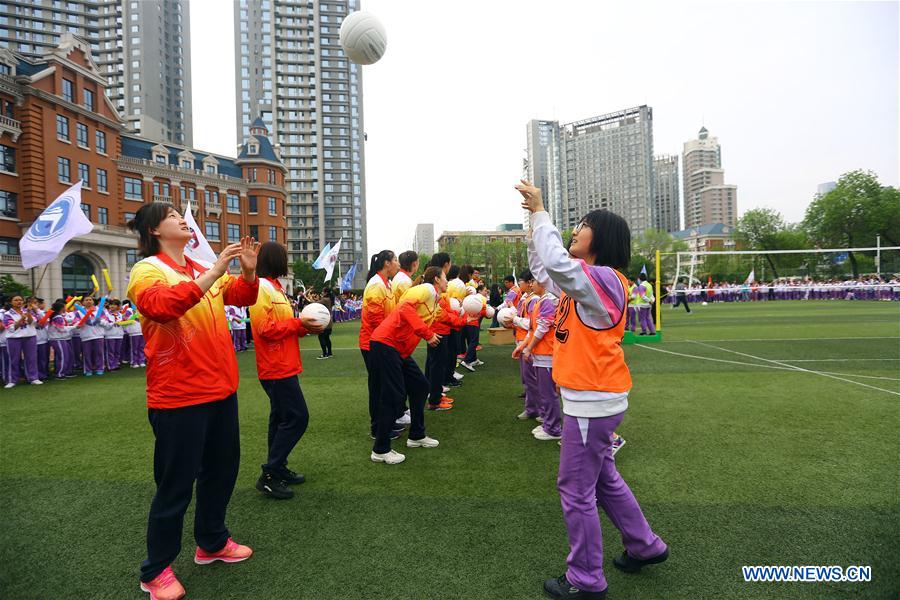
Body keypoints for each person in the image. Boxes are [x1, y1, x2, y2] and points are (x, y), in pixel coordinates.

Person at [517, 180, 668, 600]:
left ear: (601, 238)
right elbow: (546, 270)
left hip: (591, 400)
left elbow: (556, 264)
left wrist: (542, 211)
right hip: (594, 398)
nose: (576, 230)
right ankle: (645, 545)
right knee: (603, 480)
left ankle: (585, 579)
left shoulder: (604, 279)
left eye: (583, 225)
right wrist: (534, 228)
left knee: (575, 489)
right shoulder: (587, 283)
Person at [126, 203, 260, 600]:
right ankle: (155, 571)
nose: (182, 219)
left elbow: (243, 296)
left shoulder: (199, 268)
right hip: (178, 395)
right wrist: (216, 270)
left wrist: (248, 271)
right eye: (172, 215)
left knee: (221, 472)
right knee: (176, 485)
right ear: (154, 230)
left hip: (220, 390)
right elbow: (161, 307)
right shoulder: (148, 270)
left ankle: (212, 542)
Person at [249, 242, 325, 500]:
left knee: (280, 418)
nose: (287, 262)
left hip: (284, 363)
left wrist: (304, 327)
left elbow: (284, 325)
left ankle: (278, 468)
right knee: (297, 418)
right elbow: (265, 329)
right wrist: (298, 323)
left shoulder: (275, 288)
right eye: (284, 257)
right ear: (275, 260)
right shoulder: (262, 288)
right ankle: (270, 474)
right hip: (275, 367)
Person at [369, 266, 445, 464]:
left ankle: (417, 436)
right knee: (393, 395)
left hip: (397, 349)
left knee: (421, 386)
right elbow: (404, 308)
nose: (447, 281)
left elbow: (444, 318)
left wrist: (470, 314)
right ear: (437, 279)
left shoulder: (435, 300)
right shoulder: (426, 289)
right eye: (445, 277)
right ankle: (380, 449)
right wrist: (427, 334)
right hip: (386, 343)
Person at [359, 250, 400, 439]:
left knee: (384, 385)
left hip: (382, 341)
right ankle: (378, 428)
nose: (398, 264)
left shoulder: (387, 283)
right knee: (379, 387)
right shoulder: (376, 285)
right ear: (386, 263)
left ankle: (386, 423)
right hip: (374, 343)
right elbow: (376, 319)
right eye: (395, 260)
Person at [515, 278, 561, 440]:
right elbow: (533, 329)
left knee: (548, 393)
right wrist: (524, 347)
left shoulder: (548, 300)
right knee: (544, 392)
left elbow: (542, 327)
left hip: (547, 354)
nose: (531, 284)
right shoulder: (542, 300)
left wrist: (528, 348)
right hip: (542, 354)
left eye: (533, 281)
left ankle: (553, 428)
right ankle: (548, 423)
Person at [2, 295, 42, 388]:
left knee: (31, 358)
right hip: (14, 338)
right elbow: (12, 328)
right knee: (14, 359)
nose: (19, 302)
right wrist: (22, 318)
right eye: (16, 300)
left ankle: (33, 378)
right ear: (11, 302)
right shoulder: (7, 314)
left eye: (20, 300)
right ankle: (12, 380)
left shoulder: (27, 311)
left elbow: (33, 323)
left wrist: (28, 313)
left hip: (30, 336)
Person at [316, 288, 335, 359]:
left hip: (324, 321)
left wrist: (306, 297)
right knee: (327, 337)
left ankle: (324, 354)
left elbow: (315, 303)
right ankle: (329, 353)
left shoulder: (325, 300)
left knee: (321, 337)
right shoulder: (330, 299)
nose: (322, 292)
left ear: (326, 293)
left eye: (323, 292)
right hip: (329, 320)